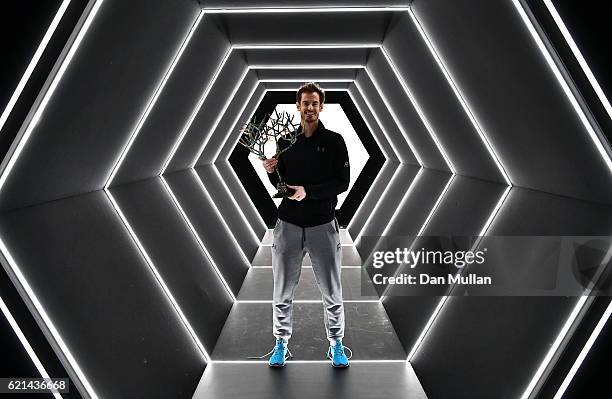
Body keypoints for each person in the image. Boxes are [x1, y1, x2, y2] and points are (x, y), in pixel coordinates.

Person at [261, 82, 352, 368]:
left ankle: (336, 344)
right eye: (305, 103)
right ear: (297, 106)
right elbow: (280, 186)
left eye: (315, 103)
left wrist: (309, 192)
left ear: (321, 106)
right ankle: (281, 343)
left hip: (322, 225)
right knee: (282, 290)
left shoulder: (335, 141)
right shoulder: (285, 141)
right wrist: (271, 171)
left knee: (332, 290)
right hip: (287, 225)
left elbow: (342, 182)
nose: (310, 108)